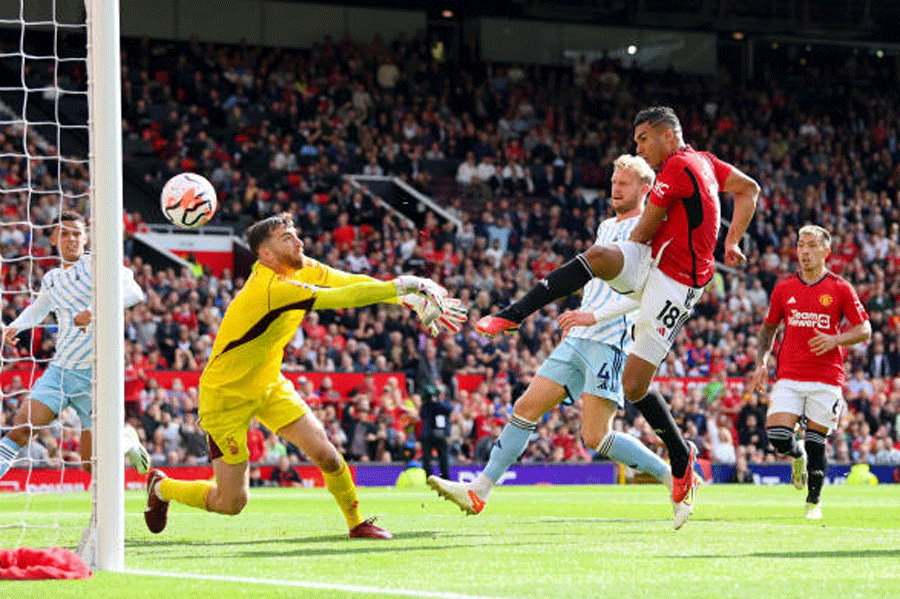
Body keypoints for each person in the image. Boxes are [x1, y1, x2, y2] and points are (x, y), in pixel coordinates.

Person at [475, 107, 760, 528]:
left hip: (676, 286)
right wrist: (731, 240)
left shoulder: (679, 169)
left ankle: (680, 459)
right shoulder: (708, 162)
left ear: (667, 135)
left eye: (643, 138)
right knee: (599, 255)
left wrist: (612, 288)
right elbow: (749, 188)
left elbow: (643, 232)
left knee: (635, 384)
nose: (639, 146)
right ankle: (513, 313)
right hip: (655, 263)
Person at [143, 213, 465, 539]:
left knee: (326, 453)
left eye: (295, 234)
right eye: (287, 238)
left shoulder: (299, 267)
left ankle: (356, 523)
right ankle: (163, 487)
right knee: (231, 502)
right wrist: (406, 284)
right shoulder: (272, 288)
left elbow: (346, 281)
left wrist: (400, 297)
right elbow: (340, 299)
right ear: (266, 255)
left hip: (269, 384)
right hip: (226, 395)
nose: (298, 241)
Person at [428, 155, 674, 520]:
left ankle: (671, 474)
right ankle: (479, 491)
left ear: (645, 189)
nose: (615, 189)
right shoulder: (607, 227)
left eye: (624, 184)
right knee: (526, 408)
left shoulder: (649, 229)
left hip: (610, 339)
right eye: (613, 182)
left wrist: (596, 314)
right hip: (577, 336)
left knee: (595, 437)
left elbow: (646, 293)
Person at [0, 211, 150, 480]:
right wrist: (15, 327)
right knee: (22, 427)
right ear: (55, 237)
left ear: (86, 237)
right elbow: (38, 309)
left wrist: (94, 310)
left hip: (96, 374)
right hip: (61, 369)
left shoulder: (99, 263)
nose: (72, 239)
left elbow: (135, 293)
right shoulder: (52, 279)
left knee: (92, 465)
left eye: (77, 233)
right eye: (65, 233)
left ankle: (126, 440)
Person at [751, 224, 871, 520]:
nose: (804, 251)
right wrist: (761, 361)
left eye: (811, 245)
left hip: (827, 377)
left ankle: (813, 502)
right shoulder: (784, 287)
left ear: (826, 251)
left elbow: (864, 329)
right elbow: (769, 328)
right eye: (800, 245)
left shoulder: (840, 287)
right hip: (789, 375)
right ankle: (796, 454)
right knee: (778, 437)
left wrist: (836, 339)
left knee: (818, 442)